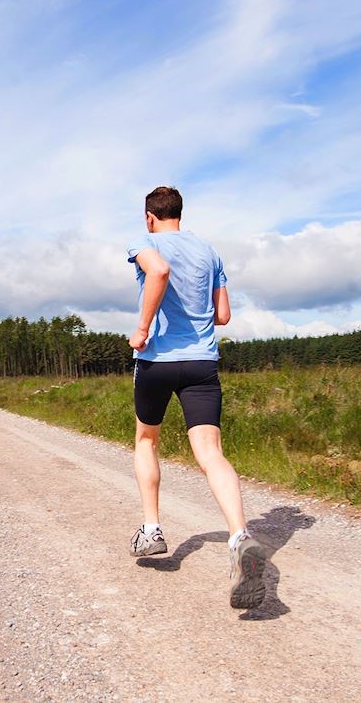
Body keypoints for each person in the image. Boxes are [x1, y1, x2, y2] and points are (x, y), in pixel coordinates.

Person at [126, 186, 266, 609]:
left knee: (147, 439)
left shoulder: (144, 242)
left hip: (156, 361)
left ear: (150, 216)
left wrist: (143, 327)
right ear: (179, 214)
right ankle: (240, 536)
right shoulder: (209, 252)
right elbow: (222, 315)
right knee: (210, 452)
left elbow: (159, 272)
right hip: (203, 362)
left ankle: (152, 530)